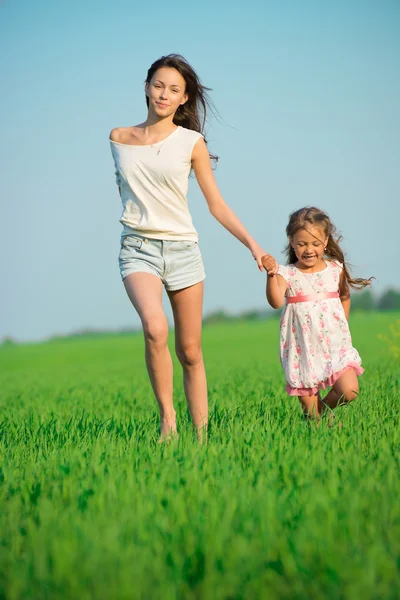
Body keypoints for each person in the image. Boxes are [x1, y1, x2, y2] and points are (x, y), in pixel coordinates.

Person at [110, 54, 273, 441]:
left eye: (173, 90)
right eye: (158, 85)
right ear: (146, 87)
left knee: (191, 351)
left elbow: (215, 204)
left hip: (183, 250)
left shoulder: (191, 143)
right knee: (154, 327)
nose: (163, 95)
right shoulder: (118, 138)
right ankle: (168, 420)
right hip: (138, 247)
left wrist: (253, 245)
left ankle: (202, 437)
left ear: (184, 99)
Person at [262, 207, 372, 421]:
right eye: (302, 244)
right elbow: (275, 302)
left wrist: (343, 326)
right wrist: (271, 275)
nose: (308, 250)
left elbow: (345, 296)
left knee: (350, 390)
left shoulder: (335, 269)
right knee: (315, 423)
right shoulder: (288, 274)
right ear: (292, 241)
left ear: (325, 241)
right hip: (302, 350)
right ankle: (318, 423)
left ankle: (321, 412)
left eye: (315, 244)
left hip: (335, 347)